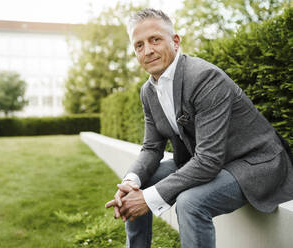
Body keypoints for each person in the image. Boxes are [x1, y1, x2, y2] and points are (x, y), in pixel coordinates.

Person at [105, 8, 293, 248]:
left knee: (190, 202)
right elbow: (152, 147)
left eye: (155, 40)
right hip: (212, 160)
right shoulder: (148, 91)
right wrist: (131, 181)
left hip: (256, 162)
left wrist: (149, 199)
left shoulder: (205, 78)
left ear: (175, 41)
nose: (148, 50)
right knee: (138, 183)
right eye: (139, 45)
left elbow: (208, 160)